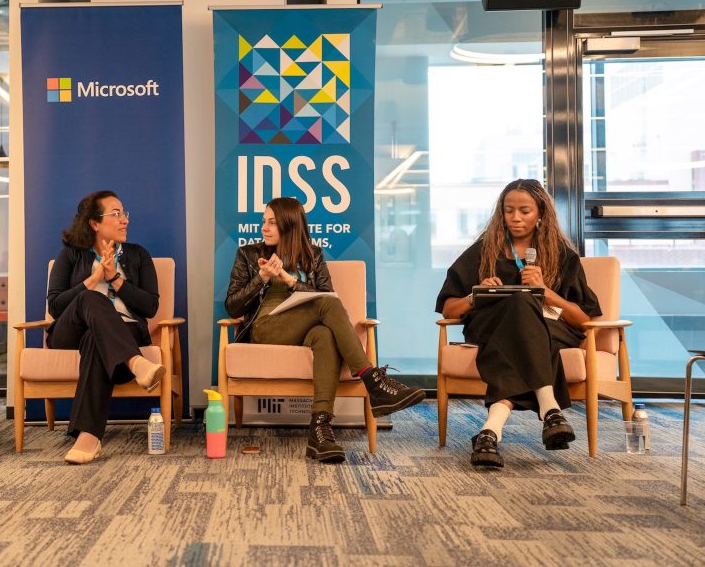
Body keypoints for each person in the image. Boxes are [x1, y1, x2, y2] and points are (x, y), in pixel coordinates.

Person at [225, 197, 425, 464]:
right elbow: (232, 306)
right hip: (267, 327)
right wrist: (261, 278)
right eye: (264, 221)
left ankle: (320, 431)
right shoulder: (249, 255)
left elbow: (325, 296)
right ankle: (374, 382)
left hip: (305, 331)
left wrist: (290, 280)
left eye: (272, 222)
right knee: (328, 303)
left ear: (289, 225)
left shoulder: (313, 255)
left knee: (326, 335)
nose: (264, 227)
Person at [435, 178, 602, 469]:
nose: (515, 217)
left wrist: (545, 292)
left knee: (523, 309)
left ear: (541, 214)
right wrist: (477, 296)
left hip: (549, 328)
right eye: (509, 210)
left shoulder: (563, 256)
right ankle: (550, 409)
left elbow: (584, 318)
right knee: (520, 309)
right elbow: (449, 307)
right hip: (491, 324)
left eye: (524, 211)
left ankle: (490, 431)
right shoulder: (483, 251)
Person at [45, 190, 165, 465]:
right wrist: (94, 279)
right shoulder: (72, 255)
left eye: (125, 213)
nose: (124, 220)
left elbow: (150, 307)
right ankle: (136, 363)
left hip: (123, 331)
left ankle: (88, 437)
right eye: (116, 214)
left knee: (95, 340)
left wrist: (116, 279)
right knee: (91, 297)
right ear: (94, 223)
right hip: (69, 332)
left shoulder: (138, 255)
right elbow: (55, 306)